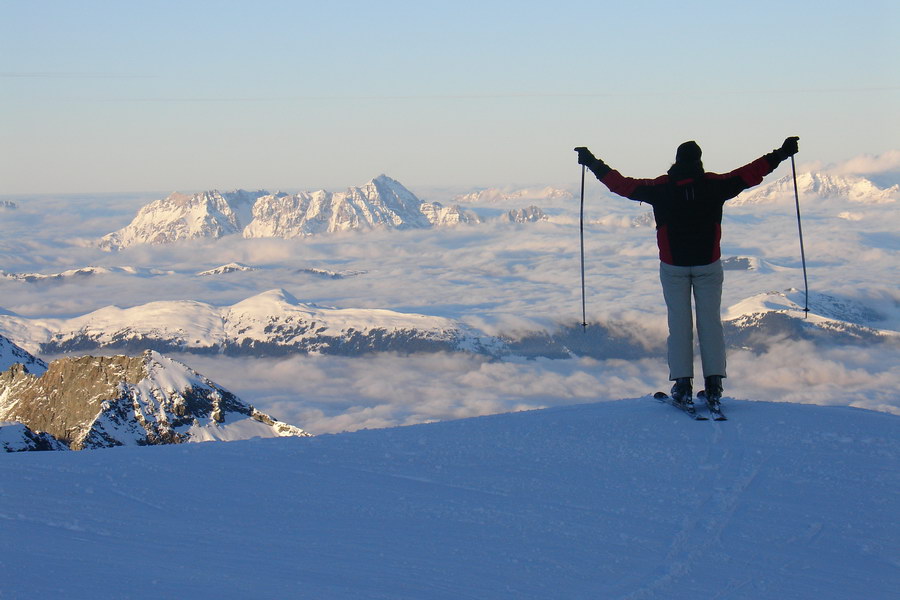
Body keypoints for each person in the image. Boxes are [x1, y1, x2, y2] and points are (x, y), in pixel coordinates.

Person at [575, 137, 799, 411]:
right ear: (699, 162)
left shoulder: (660, 188)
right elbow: (751, 172)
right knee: (710, 324)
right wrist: (782, 153)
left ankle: (682, 386)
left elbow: (621, 185)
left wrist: (592, 162)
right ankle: (714, 385)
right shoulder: (715, 185)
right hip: (708, 265)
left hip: (673, 267)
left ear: (676, 162)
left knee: (679, 326)